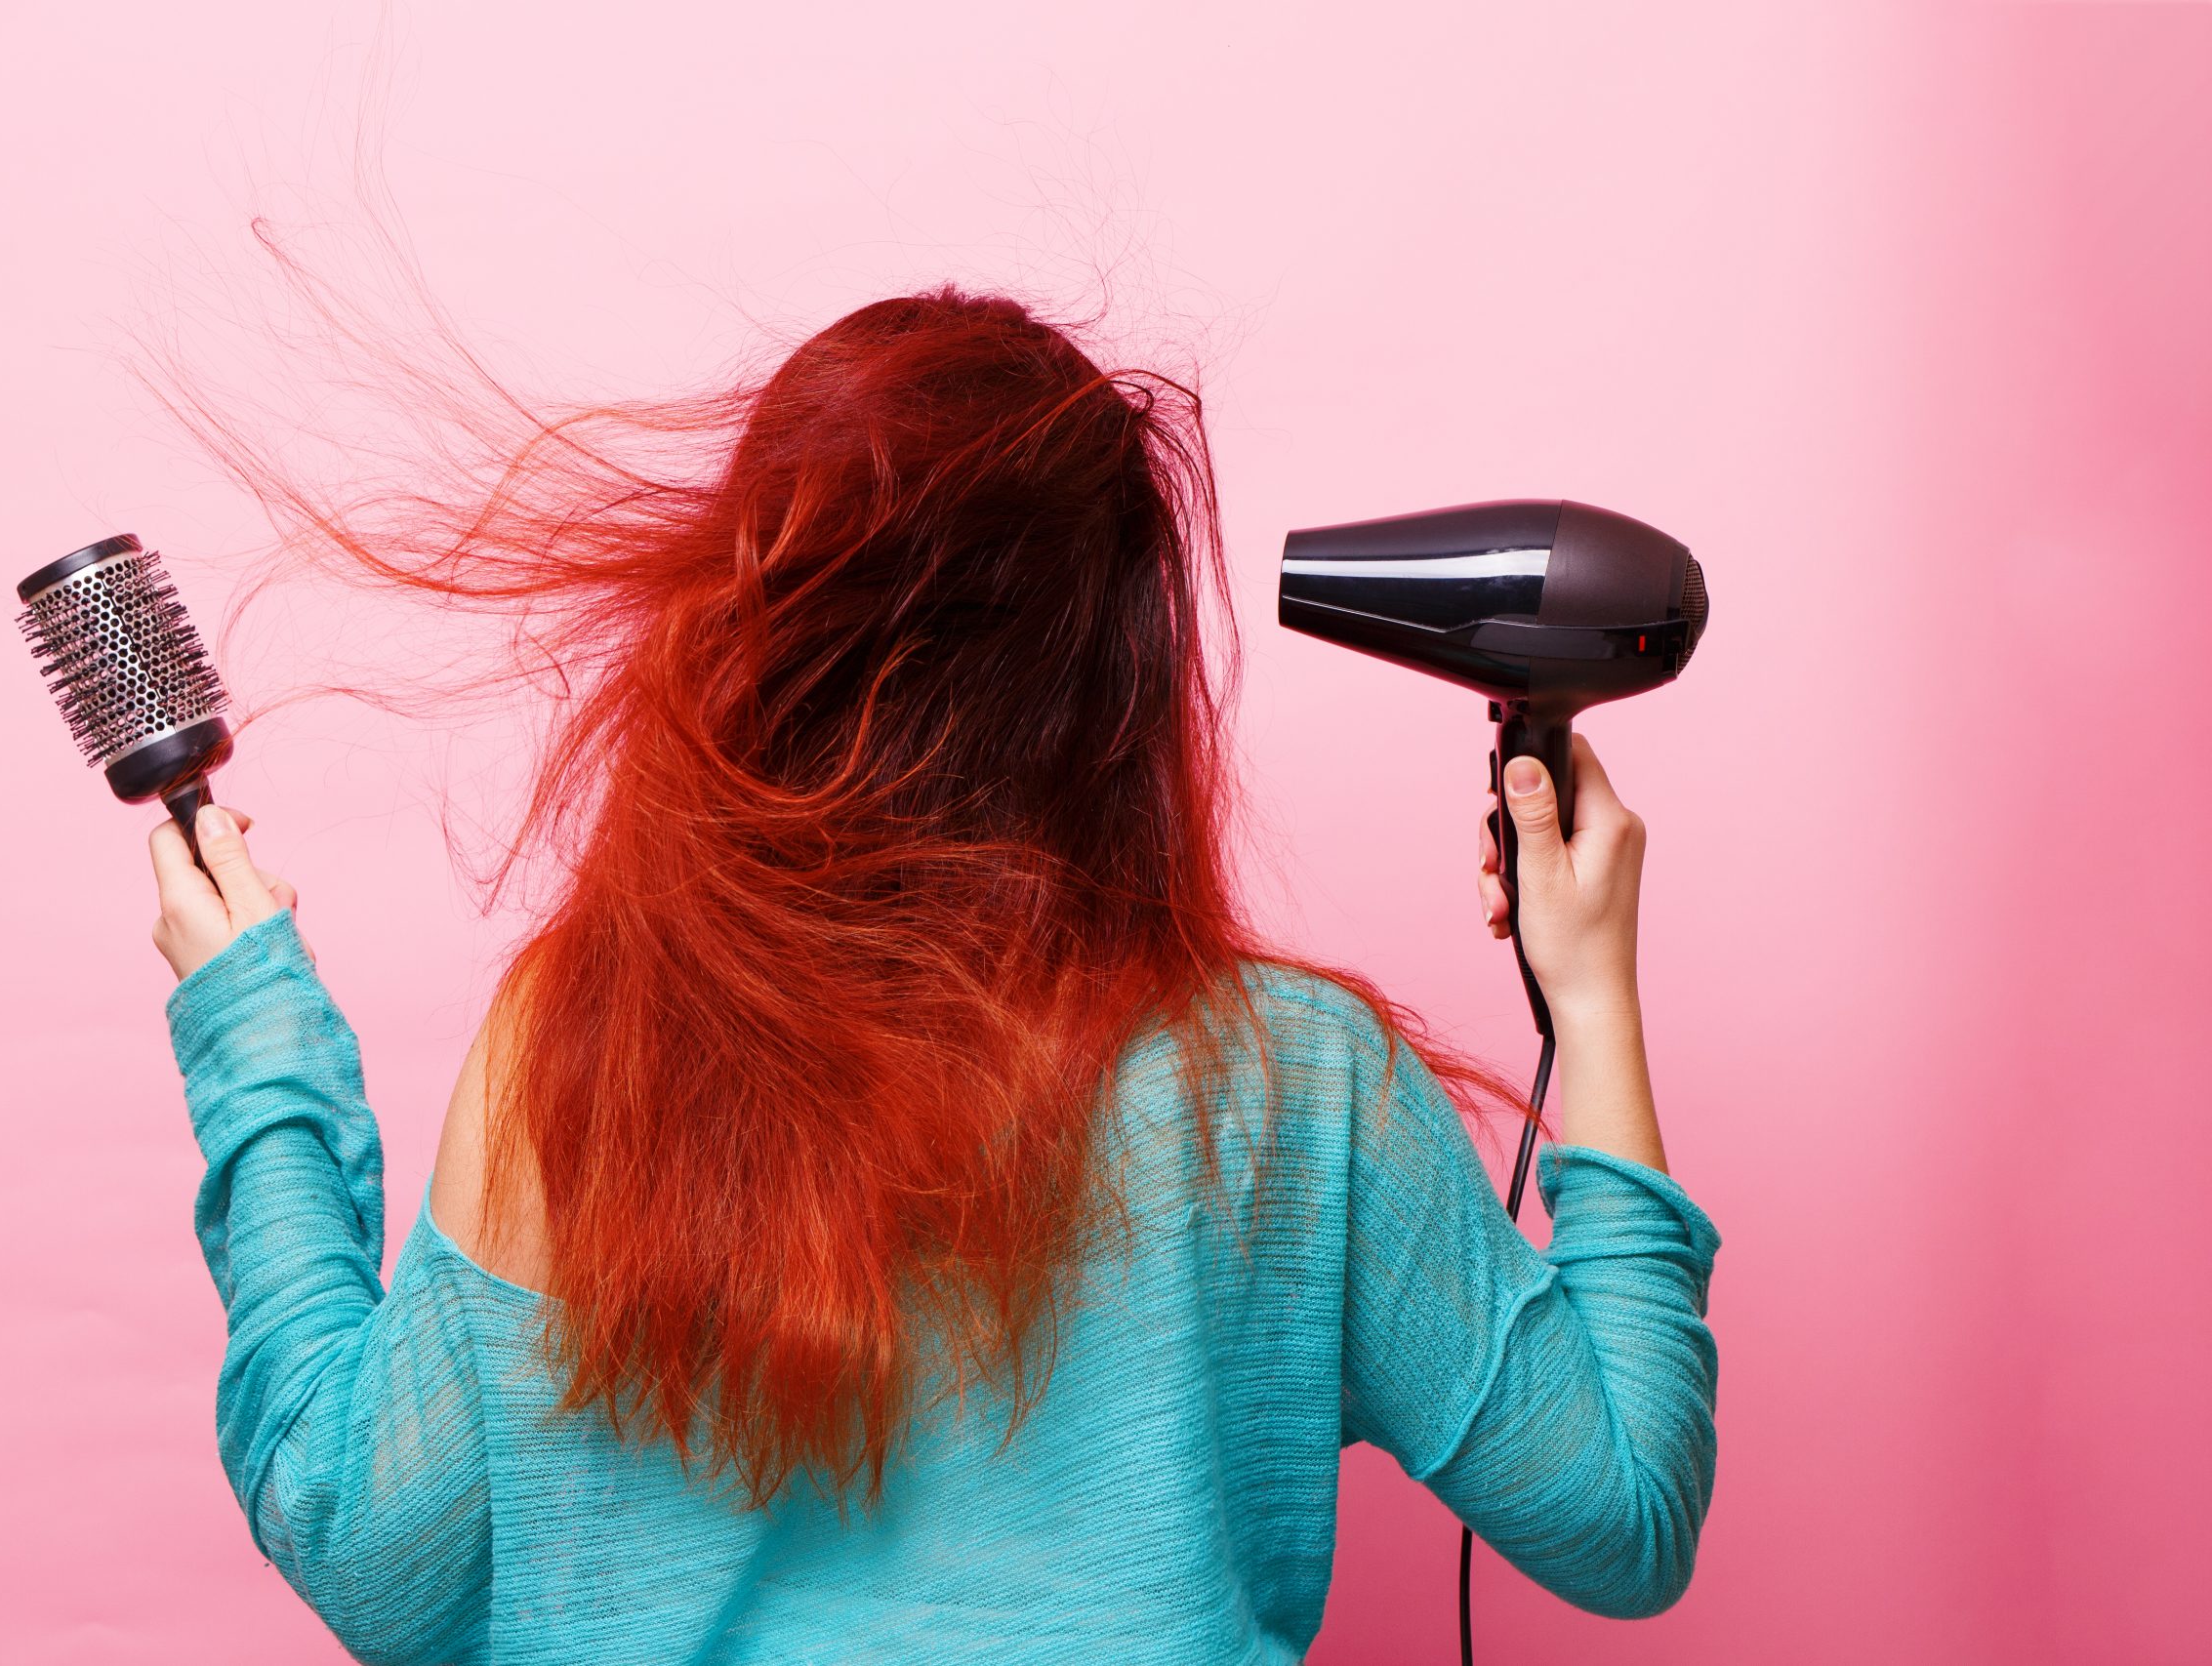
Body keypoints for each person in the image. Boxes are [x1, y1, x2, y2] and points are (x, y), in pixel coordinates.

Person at [144, 289, 1719, 1664]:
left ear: (767, 629)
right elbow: (1624, 1516)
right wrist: (1593, 999)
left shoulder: (578, 1044)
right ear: (1120, 673)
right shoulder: (1292, 1093)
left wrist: (257, 1047)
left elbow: (374, 1560)